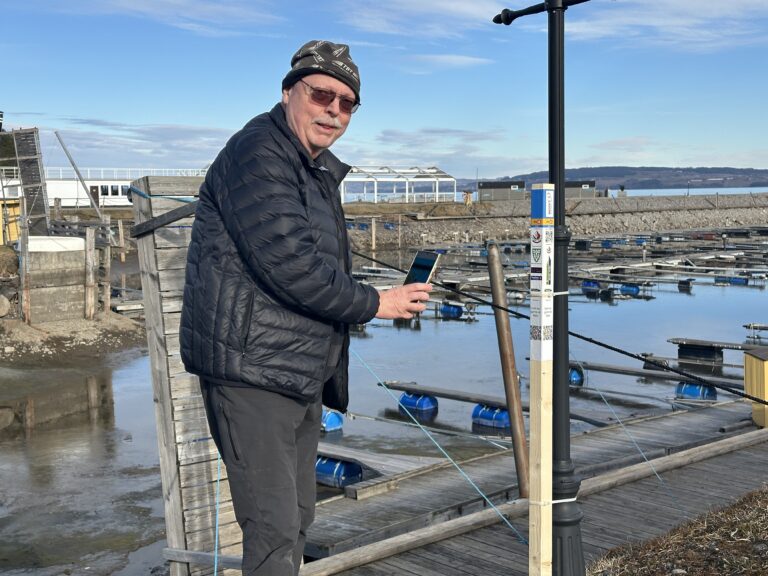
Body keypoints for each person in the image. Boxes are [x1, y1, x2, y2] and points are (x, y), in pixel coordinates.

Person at [179, 40, 432, 576]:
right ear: (289, 92)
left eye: (347, 103)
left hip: (297, 371)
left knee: (297, 516)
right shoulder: (258, 154)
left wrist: (372, 296)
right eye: (322, 95)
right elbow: (292, 266)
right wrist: (378, 302)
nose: (334, 111)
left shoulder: (311, 167)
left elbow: (315, 263)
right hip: (252, 372)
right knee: (271, 527)